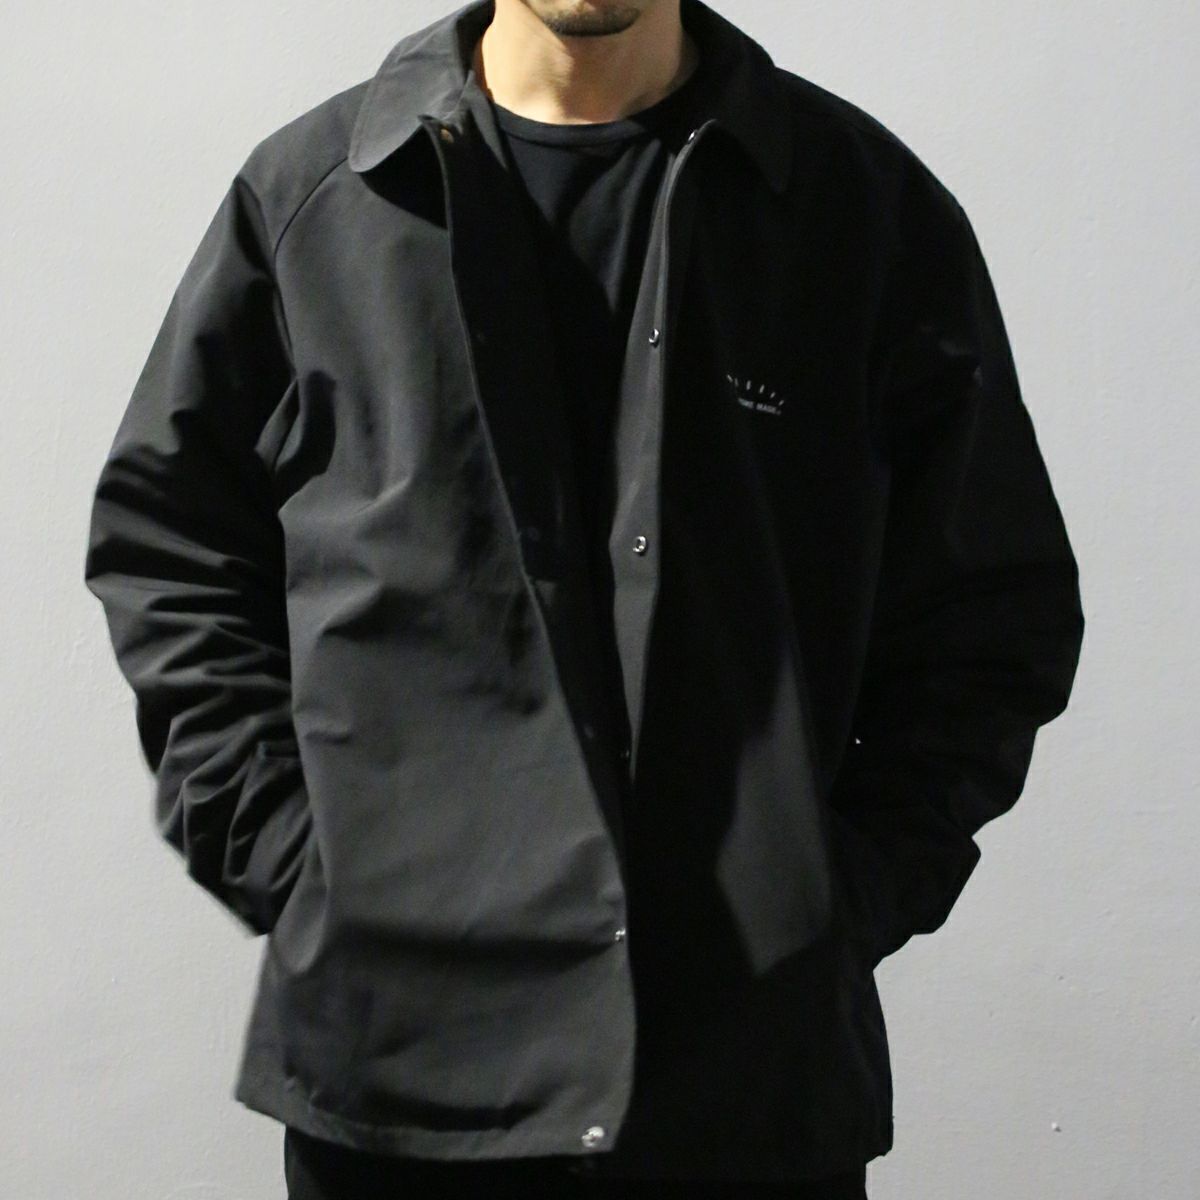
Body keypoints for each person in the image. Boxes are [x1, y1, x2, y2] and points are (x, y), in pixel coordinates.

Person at [82, 0, 1086, 1196]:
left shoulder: (857, 210)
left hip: (744, 1088)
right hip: (400, 1082)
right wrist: (298, 865)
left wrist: (842, 891)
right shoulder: (318, 199)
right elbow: (171, 549)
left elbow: (993, 608)